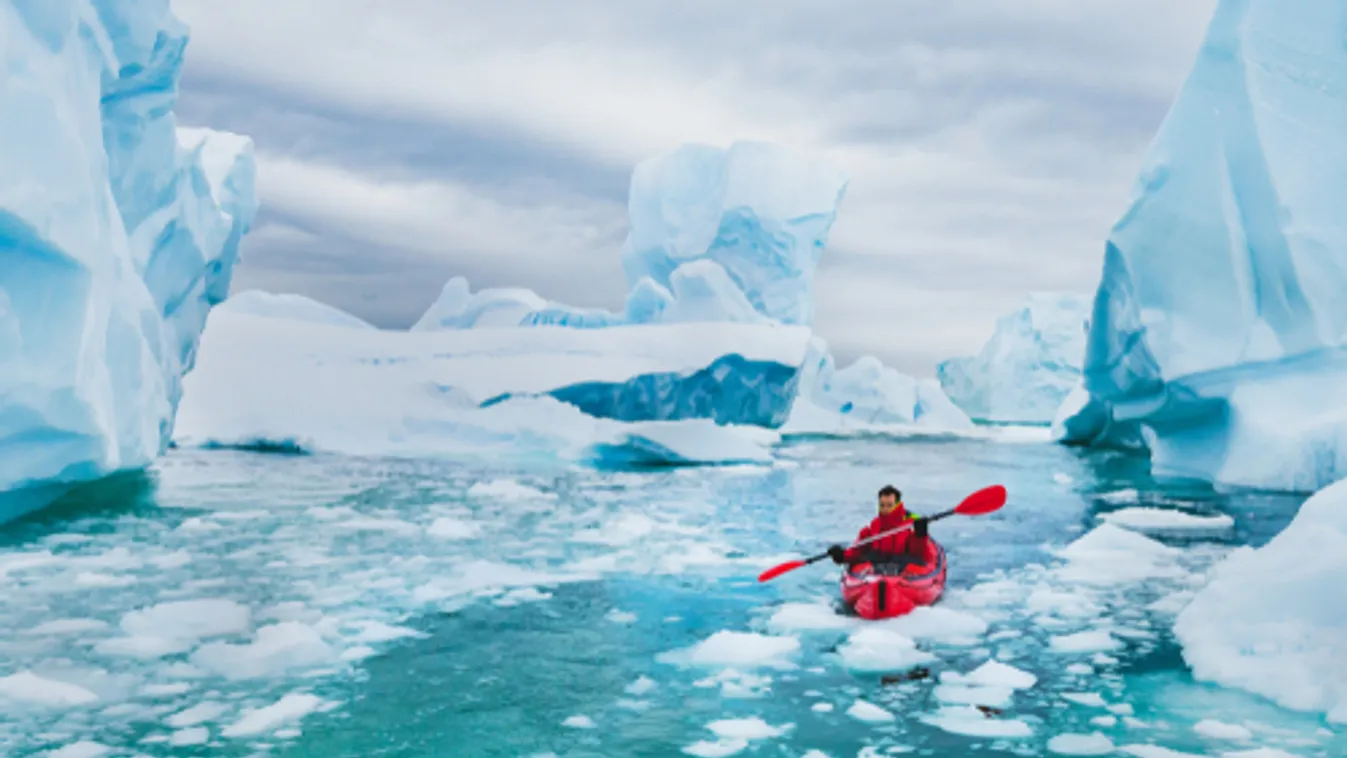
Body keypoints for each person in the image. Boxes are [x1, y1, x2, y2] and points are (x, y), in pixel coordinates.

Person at [827, 485, 929, 569]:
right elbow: (858, 550)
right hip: (878, 567)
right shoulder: (874, 527)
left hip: (904, 569)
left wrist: (920, 535)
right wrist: (842, 556)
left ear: (897, 505)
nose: (885, 509)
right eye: (882, 505)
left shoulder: (909, 526)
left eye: (889, 505)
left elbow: (918, 554)